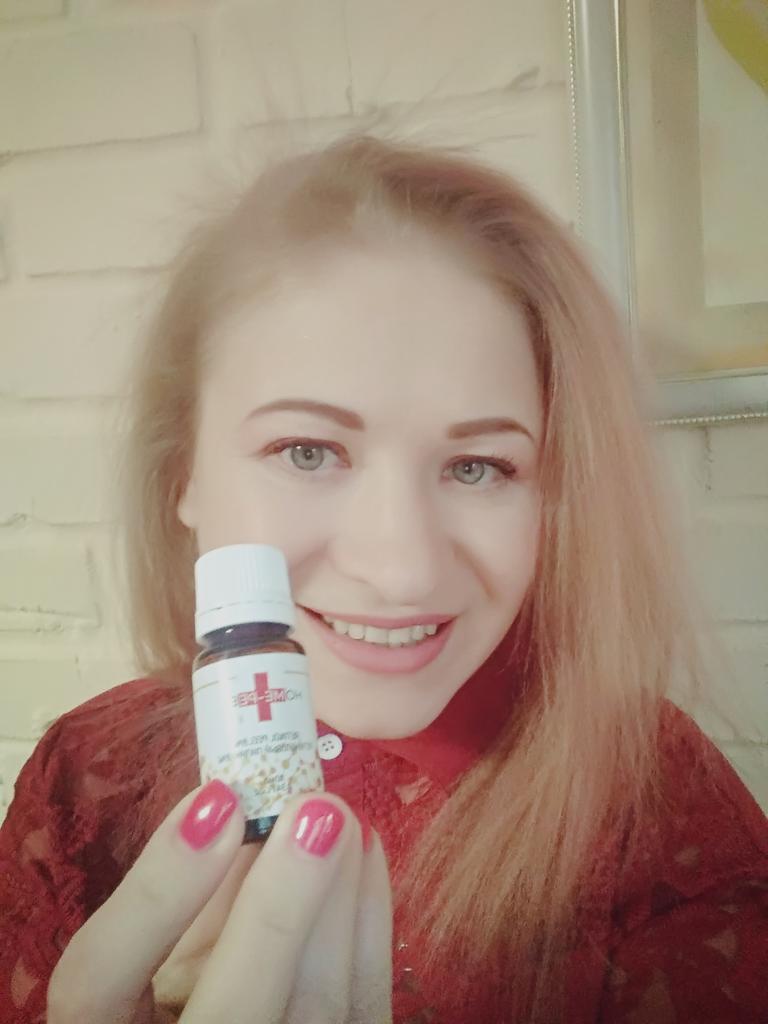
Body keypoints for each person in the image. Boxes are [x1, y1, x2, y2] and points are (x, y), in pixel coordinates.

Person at [0, 133, 766, 1024]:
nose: (402, 570)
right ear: (185, 474)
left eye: (478, 466)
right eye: (307, 451)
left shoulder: (660, 806)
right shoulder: (83, 777)